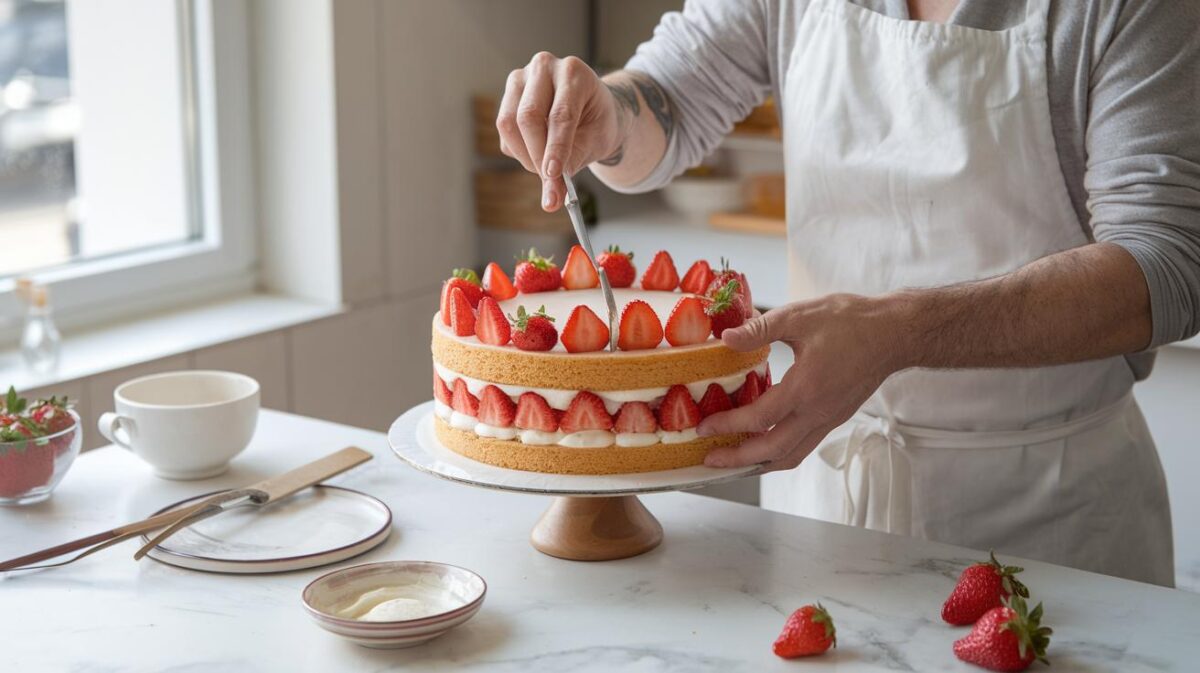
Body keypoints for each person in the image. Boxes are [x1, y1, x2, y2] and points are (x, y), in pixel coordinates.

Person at [495, 0, 1200, 587]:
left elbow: (1166, 266)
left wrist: (898, 333)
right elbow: (668, 98)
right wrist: (609, 117)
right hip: (821, 508)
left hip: (1048, 523)